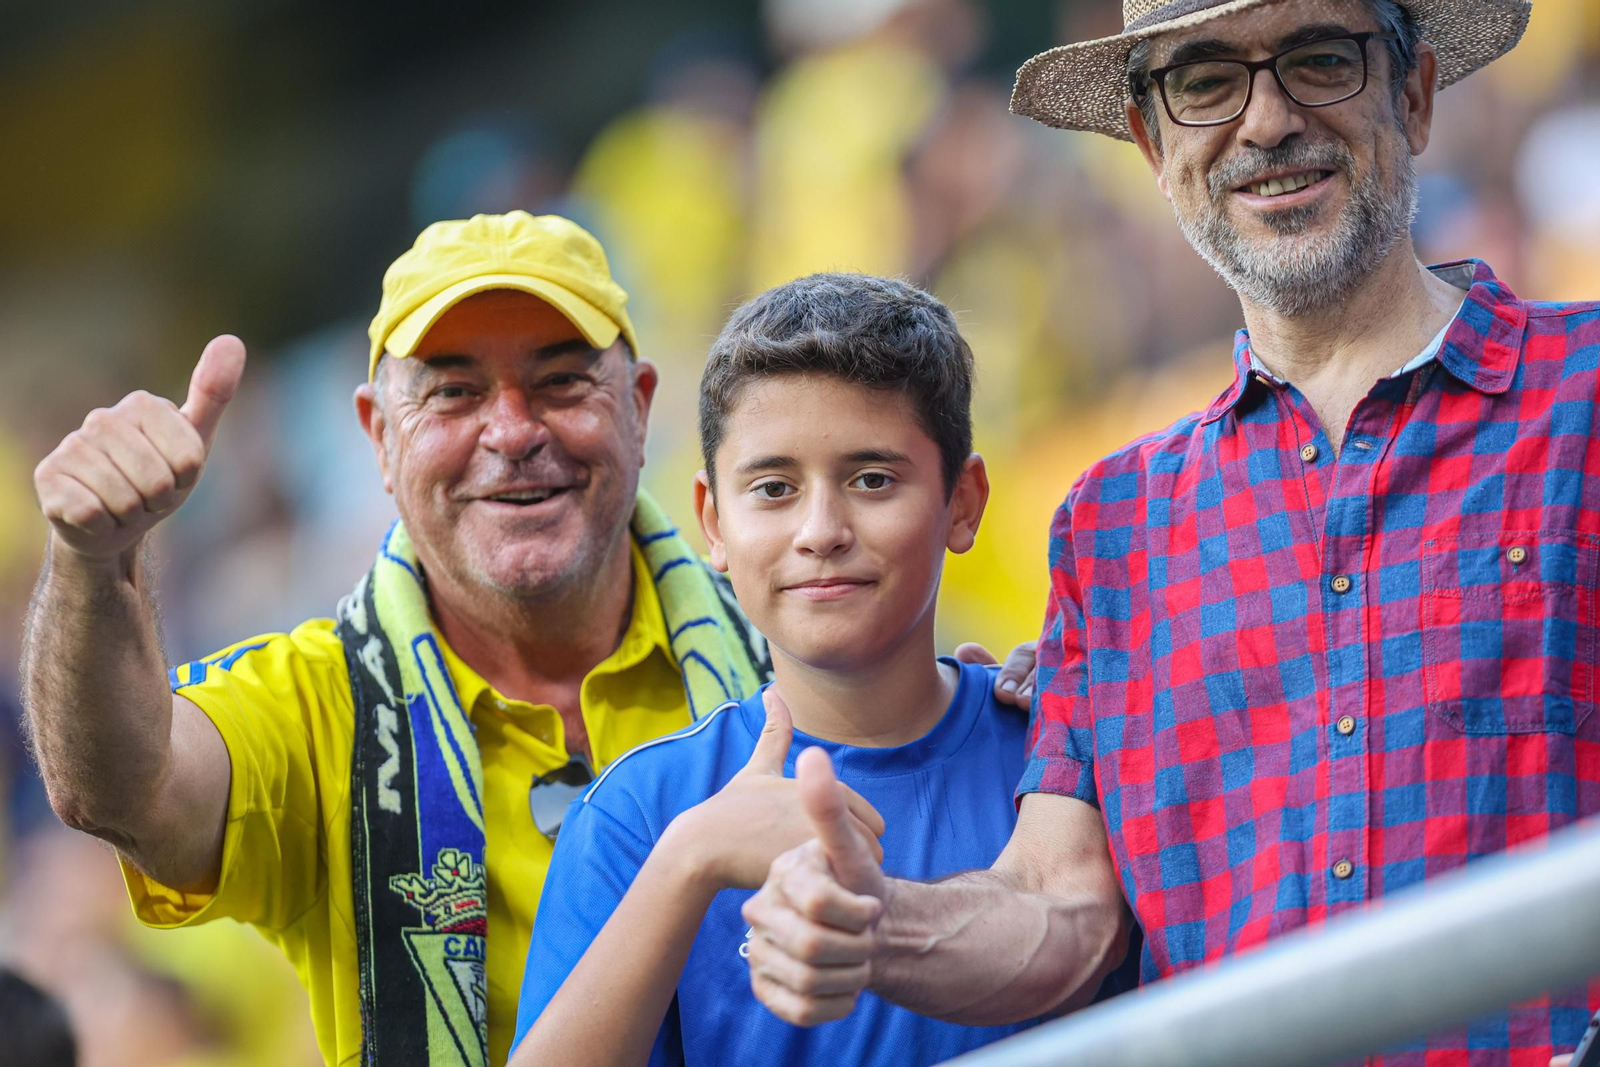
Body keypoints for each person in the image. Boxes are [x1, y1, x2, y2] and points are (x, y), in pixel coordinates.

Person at [739, 2, 1600, 1065]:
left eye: (1319, 59)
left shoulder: (1588, 398)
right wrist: (879, 923)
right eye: (1204, 81)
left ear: (1412, 95)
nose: (1268, 121)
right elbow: (1062, 909)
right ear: (1153, 146)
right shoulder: (1113, 525)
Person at [22, 211, 1032, 1067]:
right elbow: (117, 786)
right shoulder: (317, 706)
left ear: (638, 407)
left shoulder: (805, 615)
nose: (511, 429)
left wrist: (1047, 727)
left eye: (557, 381)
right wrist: (90, 565)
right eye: (454, 390)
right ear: (378, 436)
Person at [509, 272, 1050, 1067]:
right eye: (773, 488)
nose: (821, 530)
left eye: (872, 479)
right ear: (713, 522)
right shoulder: (642, 815)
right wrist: (691, 860)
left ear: (962, 502)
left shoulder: (1060, 754)